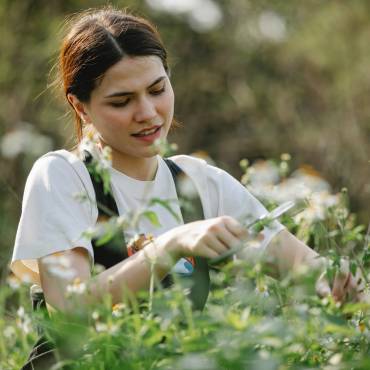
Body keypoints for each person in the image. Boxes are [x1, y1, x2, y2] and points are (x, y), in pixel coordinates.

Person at [11, 5, 363, 357]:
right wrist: (171, 245)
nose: (148, 113)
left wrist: (334, 281)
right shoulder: (63, 177)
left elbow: (304, 268)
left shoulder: (199, 183)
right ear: (81, 107)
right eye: (122, 101)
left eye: (157, 89)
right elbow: (70, 312)